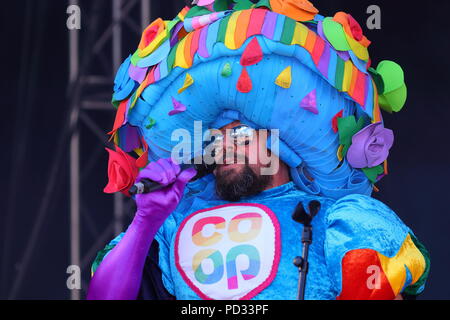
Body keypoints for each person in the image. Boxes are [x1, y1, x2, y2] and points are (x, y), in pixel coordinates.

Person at [87, 0, 430, 300]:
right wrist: (145, 221)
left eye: (238, 133)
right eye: (216, 138)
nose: (225, 146)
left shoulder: (331, 218)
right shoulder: (171, 227)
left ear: (280, 143)